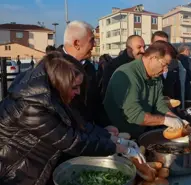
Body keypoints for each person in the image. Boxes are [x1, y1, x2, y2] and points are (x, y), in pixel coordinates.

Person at [0, 52, 144, 185]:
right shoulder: (31, 106)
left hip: (35, 165)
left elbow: (79, 125)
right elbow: (73, 141)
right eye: (75, 87)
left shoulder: (51, 93)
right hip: (16, 171)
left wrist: (115, 139)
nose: (78, 91)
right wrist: (119, 148)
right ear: (61, 82)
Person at [104, 41, 188, 139]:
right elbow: (134, 115)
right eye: (164, 64)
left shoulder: (156, 76)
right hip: (119, 135)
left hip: (142, 131)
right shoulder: (127, 74)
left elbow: (159, 104)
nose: (165, 70)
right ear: (153, 58)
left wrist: (175, 119)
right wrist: (165, 120)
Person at [56, 20, 98, 125]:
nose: (95, 45)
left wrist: (106, 126)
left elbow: (96, 101)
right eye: (92, 40)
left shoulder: (90, 67)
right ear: (76, 43)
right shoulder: (53, 68)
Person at [152, 31, 184, 103]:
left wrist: (179, 105)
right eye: (158, 43)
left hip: (171, 105)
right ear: (152, 44)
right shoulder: (146, 62)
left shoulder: (174, 63)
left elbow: (178, 86)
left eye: (165, 44)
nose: (162, 47)